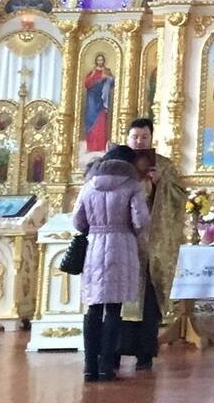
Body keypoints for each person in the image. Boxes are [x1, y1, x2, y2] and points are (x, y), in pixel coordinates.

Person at [71, 145, 151, 381]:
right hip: (122, 246)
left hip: (95, 246)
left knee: (93, 307)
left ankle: (89, 366)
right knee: (114, 308)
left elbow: (77, 221)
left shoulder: (89, 185)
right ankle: (107, 366)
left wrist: (95, 228)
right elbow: (140, 220)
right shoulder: (132, 186)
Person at [118, 118, 187, 371]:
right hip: (124, 241)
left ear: (151, 138)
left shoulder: (164, 166)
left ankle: (145, 353)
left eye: (144, 137)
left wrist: (161, 184)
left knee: (147, 300)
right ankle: (117, 349)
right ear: (127, 138)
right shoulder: (118, 164)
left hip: (151, 244)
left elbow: (180, 197)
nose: (139, 141)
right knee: (120, 299)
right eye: (135, 137)